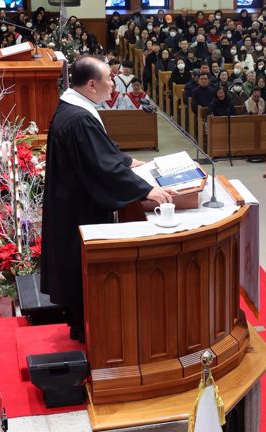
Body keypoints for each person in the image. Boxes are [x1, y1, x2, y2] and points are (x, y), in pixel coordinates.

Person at [40, 55, 173, 340]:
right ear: (91, 85)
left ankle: (83, 328)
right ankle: (92, 335)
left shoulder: (75, 107)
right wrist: (146, 190)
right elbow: (101, 167)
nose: (113, 84)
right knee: (83, 275)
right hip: (79, 211)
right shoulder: (78, 119)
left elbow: (98, 151)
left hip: (72, 202)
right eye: (109, 79)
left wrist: (125, 161)